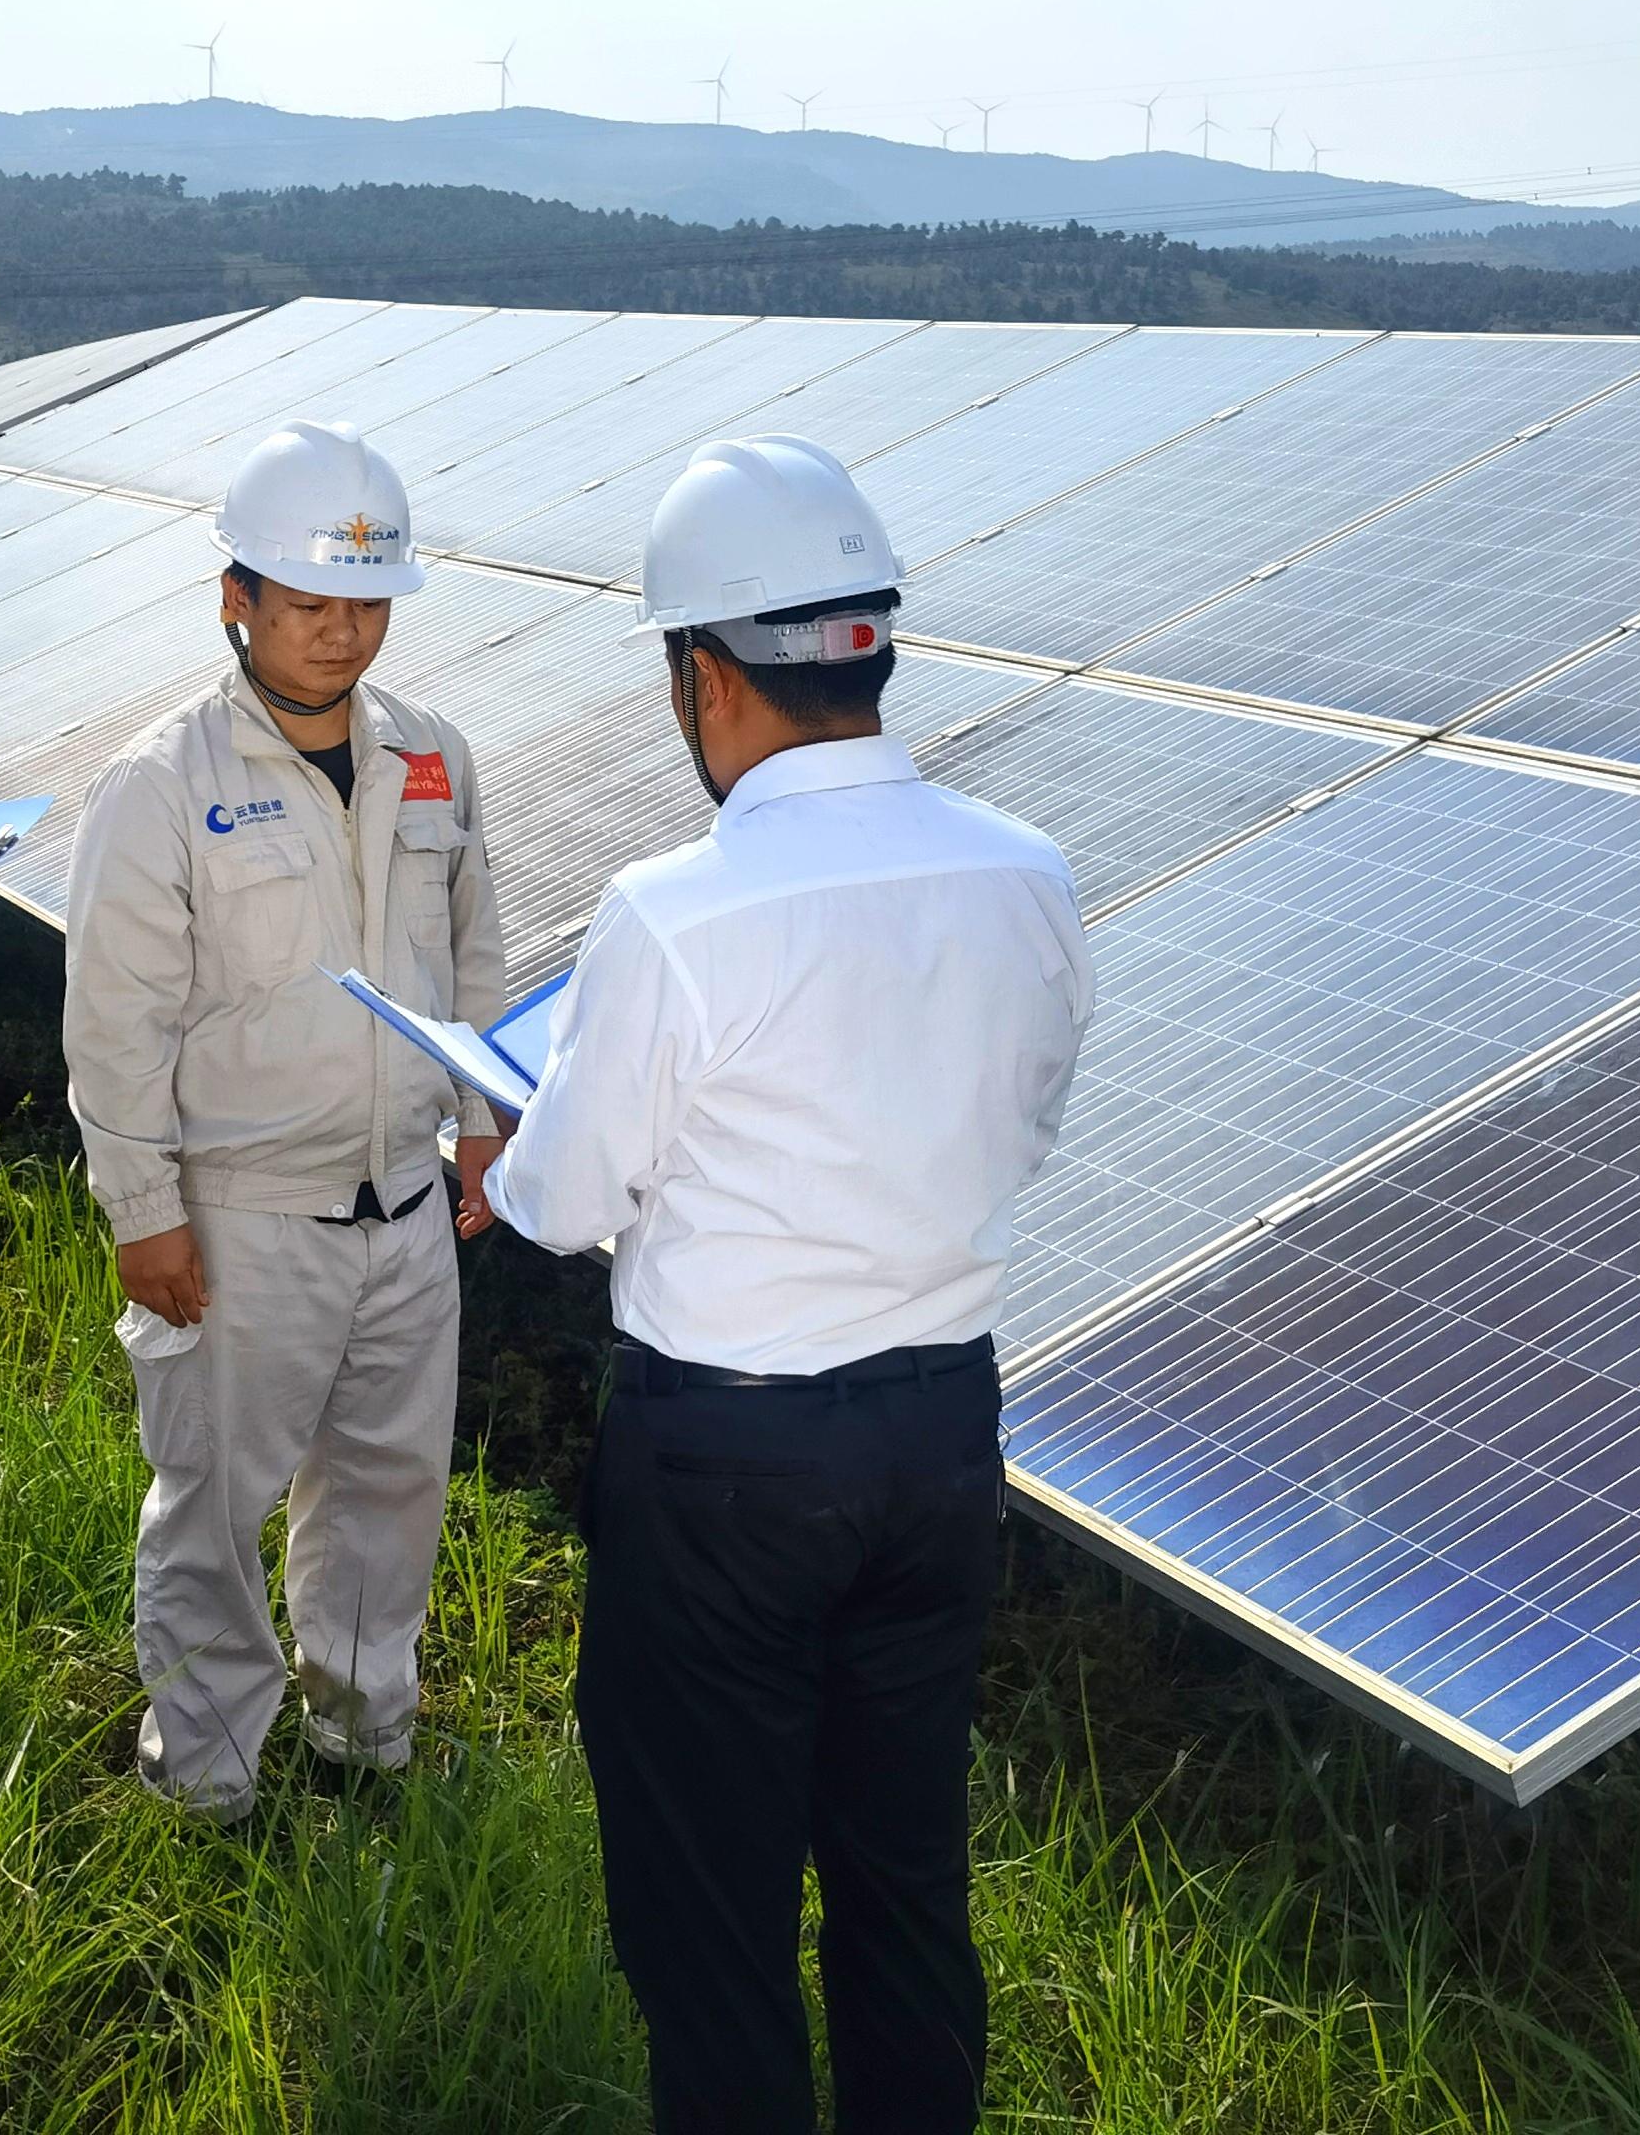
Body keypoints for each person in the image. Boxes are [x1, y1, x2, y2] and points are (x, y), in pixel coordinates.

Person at [471, 436, 1091, 2135]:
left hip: (727, 1468)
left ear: (704, 681)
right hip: (941, 1445)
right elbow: (1023, 1124)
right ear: (869, 652)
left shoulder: (676, 914)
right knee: (904, 1884)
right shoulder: (1024, 874)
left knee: (714, 1916)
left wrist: (513, 1153)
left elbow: (566, 1197)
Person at [59, 419, 505, 1819]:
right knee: (213, 1499)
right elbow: (114, 1023)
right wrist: (145, 1215)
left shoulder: (432, 759)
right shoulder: (162, 786)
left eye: (367, 603)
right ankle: (204, 1770)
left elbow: (474, 949)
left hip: (403, 1197)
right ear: (235, 599)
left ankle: (365, 1728)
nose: (342, 633)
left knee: (388, 1485)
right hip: (243, 1214)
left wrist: (483, 1117)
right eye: (309, 602)